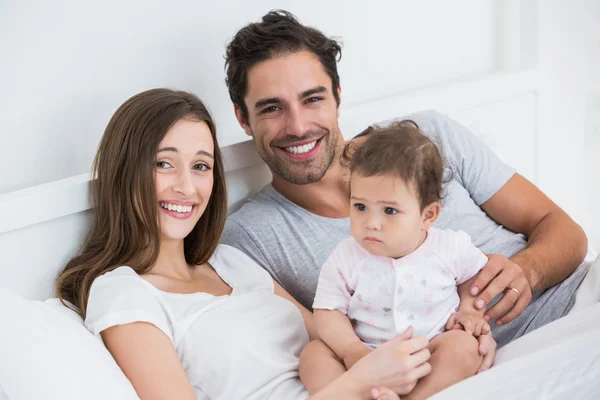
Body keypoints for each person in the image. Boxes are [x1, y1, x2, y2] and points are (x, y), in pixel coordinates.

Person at [221, 10, 590, 352]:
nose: (298, 126)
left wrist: (529, 271)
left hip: (581, 303)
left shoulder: (427, 136)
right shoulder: (249, 239)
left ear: (337, 96)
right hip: (485, 369)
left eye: (312, 99)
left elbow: (566, 232)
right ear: (243, 118)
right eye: (272, 108)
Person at [55, 88, 433, 400]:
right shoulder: (123, 293)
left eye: (201, 166)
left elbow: (336, 341)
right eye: (163, 164)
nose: (186, 187)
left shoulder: (229, 260)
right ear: (126, 170)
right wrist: (358, 384)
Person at [301, 121, 490, 399]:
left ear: (428, 215)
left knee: (465, 347)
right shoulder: (346, 255)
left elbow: (474, 278)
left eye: (389, 210)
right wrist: (352, 350)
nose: (371, 223)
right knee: (313, 355)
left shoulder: (449, 246)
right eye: (361, 206)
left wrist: (470, 312)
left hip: (429, 348)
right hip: (368, 355)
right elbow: (328, 311)